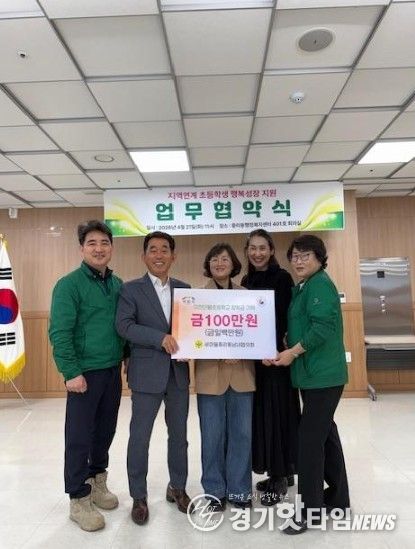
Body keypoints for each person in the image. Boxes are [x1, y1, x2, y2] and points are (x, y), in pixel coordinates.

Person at [49, 220, 125, 532]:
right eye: (92, 243)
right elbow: (59, 332)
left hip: (111, 370)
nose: (99, 248)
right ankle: (78, 498)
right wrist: (71, 372)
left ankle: (97, 481)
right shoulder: (69, 285)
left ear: (112, 248)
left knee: (104, 431)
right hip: (83, 374)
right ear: (82, 249)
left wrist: (127, 359)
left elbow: (123, 326)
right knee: (79, 437)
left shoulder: (117, 284)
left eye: (104, 243)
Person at [274, 234, 350, 535]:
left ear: (319, 258)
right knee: (325, 436)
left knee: (308, 442)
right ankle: (338, 500)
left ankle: (310, 512)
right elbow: (305, 325)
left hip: (323, 377)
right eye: (294, 256)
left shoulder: (319, 285)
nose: (299, 261)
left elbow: (323, 327)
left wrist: (292, 352)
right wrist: (287, 342)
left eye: (306, 255)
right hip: (313, 375)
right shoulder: (305, 287)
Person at [115, 231, 192, 526]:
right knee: (140, 437)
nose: (159, 255)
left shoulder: (185, 289)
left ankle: (178, 487)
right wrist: (159, 338)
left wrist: (193, 345)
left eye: (164, 250)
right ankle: (139, 496)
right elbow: (124, 326)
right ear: (144, 256)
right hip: (146, 374)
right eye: (153, 250)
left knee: (179, 437)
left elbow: (193, 328)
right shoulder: (130, 290)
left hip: (178, 375)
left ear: (174, 255)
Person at [241, 229, 300, 506]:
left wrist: (277, 349)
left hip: (277, 358)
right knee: (263, 416)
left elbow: (287, 320)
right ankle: (280, 471)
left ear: (272, 250)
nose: (257, 253)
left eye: (262, 248)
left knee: (279, 416)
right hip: (256, 360)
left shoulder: (283, 278)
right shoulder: (245, 280)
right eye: (252, 248)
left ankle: (280, 476)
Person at [195, 243, 255, 511]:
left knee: (242, 434)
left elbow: (255, 335)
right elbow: (194, 336)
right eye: (214, 259)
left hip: (242, 373)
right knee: (212, 436)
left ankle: (240, 490)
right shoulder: (197, 297)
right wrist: (219, 351)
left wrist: (241, 351)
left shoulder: (247, 296)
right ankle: (214, 490)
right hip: (210, 375)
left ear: (233, 265)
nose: (219, 263)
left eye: (225, 259)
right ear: (208, 265)